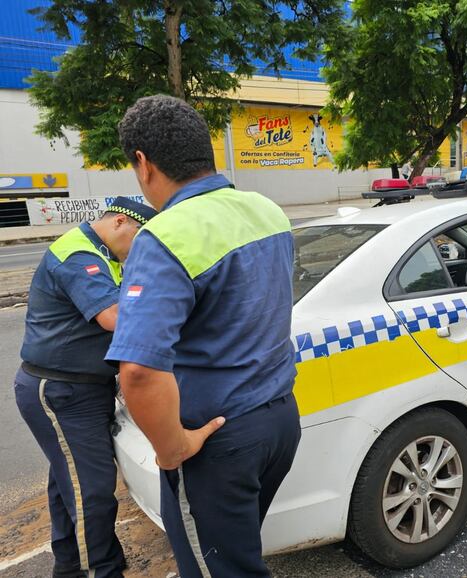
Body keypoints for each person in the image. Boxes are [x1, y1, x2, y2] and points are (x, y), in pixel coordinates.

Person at [107, 95, 301, 577]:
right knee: (238, 552)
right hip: (280, 421)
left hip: (218, 442)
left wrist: (173, 448)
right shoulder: (266, 210)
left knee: (221, 569)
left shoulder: (165, 236)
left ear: (143, 163)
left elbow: (138, 371)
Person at [15, 197, 157, 578]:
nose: (141, 249)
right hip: (61, 390)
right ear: (121, 223)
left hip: (81, 388)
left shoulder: (103, 253)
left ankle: (70, 562)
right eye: (141, 238)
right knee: (89, 490)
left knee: (69, 481)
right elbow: (112, 316)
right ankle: (97, 570)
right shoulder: (79, 254)